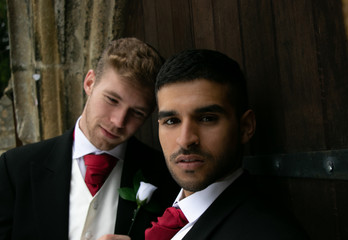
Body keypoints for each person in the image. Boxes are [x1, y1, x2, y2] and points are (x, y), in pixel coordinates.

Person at [0, 38, 178, 240]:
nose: (118, 121)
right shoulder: (15, 168)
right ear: (89, 83)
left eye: (137, 112)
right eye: (112, 100)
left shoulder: (166, 177)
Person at [145, 49, 310, 239]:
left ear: (245, 127)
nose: (185, 140)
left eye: (207, 118)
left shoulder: (272, 233)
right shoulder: (171, 208)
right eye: (172, 121)